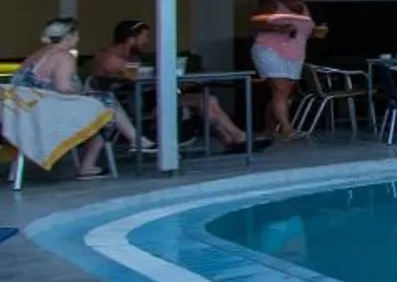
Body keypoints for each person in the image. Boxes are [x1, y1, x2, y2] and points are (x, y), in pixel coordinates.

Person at [11, 19, 145, 177]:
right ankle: (89, 165)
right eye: (76, 36)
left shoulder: (34, 57)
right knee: (107, 106)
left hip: (22, 119)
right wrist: (82, 92)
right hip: (47, 121)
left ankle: (136, 139)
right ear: (68, 37)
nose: (78, 39)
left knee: (103, 103)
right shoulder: (63, 56)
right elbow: (63, 88)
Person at [91, 20, 252, 150]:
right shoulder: (110, 58)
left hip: (151, 97)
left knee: (209, 100)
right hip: (131, 103)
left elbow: (147, 80)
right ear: (131, 37)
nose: (147, 41)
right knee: (205, 102)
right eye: (145, 37)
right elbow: (135, 80)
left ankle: (233, 138)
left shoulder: (132, 56)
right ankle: (235, 138)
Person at [250, 0, 322, 140]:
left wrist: (315, 32)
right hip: (270, 50)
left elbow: (305, 32)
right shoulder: (273, 5)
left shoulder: (304, 8)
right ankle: (287, 129)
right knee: (280, 89)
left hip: (295, 54)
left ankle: (269, 131)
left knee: (284, 94)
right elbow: (254, 22)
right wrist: (278, 28)